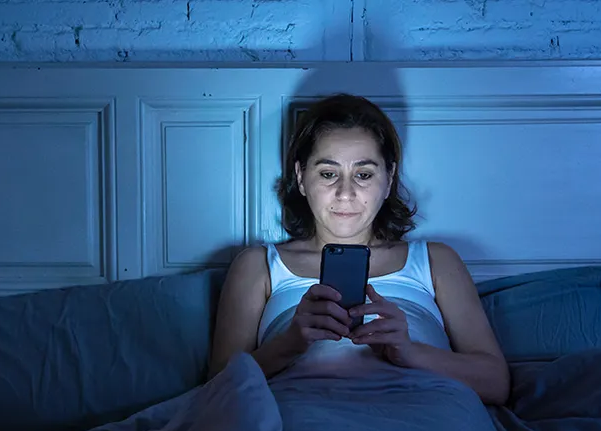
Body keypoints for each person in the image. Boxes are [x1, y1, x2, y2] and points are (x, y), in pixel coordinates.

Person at [208, 93, 510, 405]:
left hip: (423, 415)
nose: (345, 193)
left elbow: (495, 383)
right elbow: (216, 389)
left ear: (389, 178)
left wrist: (409, 351)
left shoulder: (435, 261)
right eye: (328, 173)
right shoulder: (259, 265)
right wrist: (290, 344)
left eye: (363, 175)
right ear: (301, 178)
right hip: (301, 418)